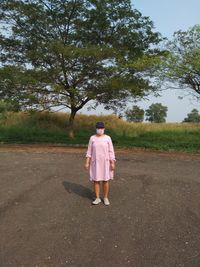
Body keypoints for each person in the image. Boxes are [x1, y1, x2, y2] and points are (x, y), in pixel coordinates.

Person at [85, 121, 116, 205]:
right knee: (96, 180)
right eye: (98, 128)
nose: (100, 129)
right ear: (96, 129)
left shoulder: (107, 138)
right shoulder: (92, 138)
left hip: (106, 163)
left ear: (104, 129)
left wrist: (112, 162)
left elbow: (111, 151)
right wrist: (87, 162)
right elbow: (89, 151)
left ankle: (105, 197)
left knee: (106, 180)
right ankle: (98, 198)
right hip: (95, 163)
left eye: (101, 128)